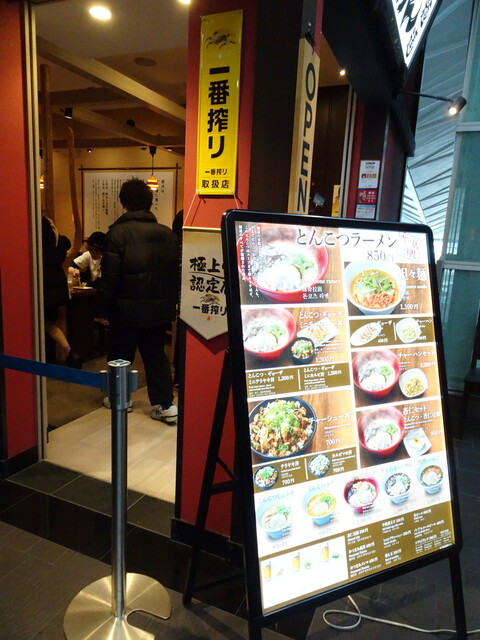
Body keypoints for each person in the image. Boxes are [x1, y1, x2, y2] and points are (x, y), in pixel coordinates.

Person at [95, 178, 179, 424]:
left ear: (124, 202)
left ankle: (120, 399)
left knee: (120, 355)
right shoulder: (168, 235)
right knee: (156, 356)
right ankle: (165, 405)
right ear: (149, 202)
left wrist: (101, 310)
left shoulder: (117, 234)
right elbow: (175, 276)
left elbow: (109, 279)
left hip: (125, 311)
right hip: (158, 311)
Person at [41, 216, 82, 368]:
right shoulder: (58, 242)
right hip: (57, 287)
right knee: (49, 324)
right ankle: (70, 352)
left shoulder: (40, 246)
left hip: (44, 287)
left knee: (40, 323)